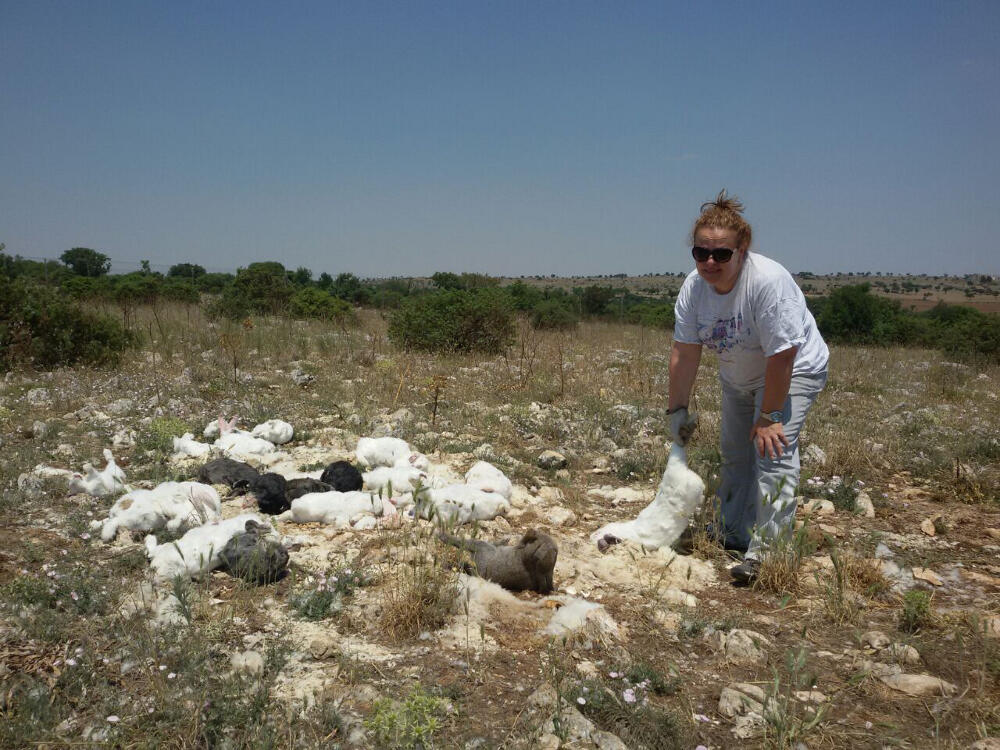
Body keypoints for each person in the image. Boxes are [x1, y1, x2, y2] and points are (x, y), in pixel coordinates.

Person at [667, 190, 829, 583]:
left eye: (721, 254)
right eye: (700, 252)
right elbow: (685, 354)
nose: (709, 262)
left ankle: (769, 552)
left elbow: (783, 356)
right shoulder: (695, 287)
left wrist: (771, 415)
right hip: (738, 374)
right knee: (734, 454)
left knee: (771, 453)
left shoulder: (768, 284)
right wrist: (677, 412)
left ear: (742, 249)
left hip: (791, 372)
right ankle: (733, 532)